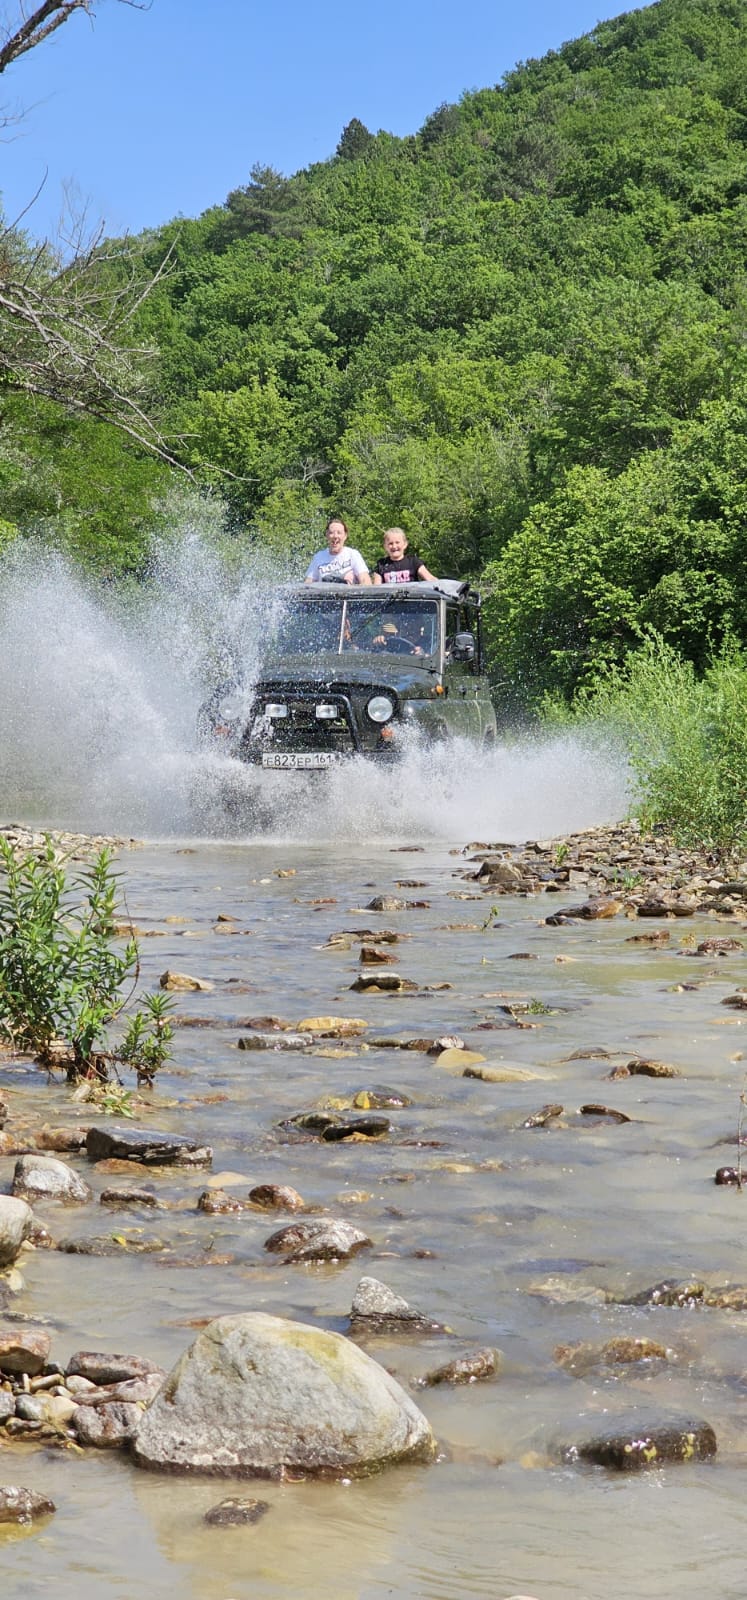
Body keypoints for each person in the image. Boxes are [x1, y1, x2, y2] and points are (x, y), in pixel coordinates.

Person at [305, 518, 371, 585]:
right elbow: (308, 584)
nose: (335, 536)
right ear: (327, 535)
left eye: (339, 533)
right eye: (331, 533)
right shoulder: (318, 557)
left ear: (345, 536)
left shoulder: (353, 554)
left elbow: (366, 581)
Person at [372, 528, 436, 585]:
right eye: (390, 543)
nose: (394, 546)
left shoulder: (413, 561)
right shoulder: (381, 564)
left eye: (397, 542)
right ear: (385, 546)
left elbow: (430, 578)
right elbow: (377, 588)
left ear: (405, 544)